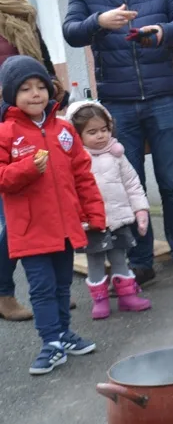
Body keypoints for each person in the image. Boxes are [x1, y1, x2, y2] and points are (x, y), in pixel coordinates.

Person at [62, 0, 173, 289]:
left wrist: (162, 31)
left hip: (163, 97)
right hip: (117, 103)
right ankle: (141, 262)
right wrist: (99, 21)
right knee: (129, 185)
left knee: (172, 185)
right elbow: (71, 32)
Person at [0, 56, 106, 375]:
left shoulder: (64, 129)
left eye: (40, 87)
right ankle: (50, 342)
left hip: (65, 227)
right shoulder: (5, 133)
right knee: (42, 288)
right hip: (30, 230)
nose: (35, 94)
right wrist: (27, 169)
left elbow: (83, 175)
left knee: (62, 285)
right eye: (25, 88)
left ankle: (64, 334)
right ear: (11, 94)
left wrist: (94, 213)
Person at [0, 0, 70, 321]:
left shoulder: (26, 14)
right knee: (10, 219)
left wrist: (53, 86)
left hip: (34, 122)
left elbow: (40, 59)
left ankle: (51, 290)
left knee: (44, 207)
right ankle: (4, 293)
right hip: (4, 125)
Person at [65, 100, 151, 319]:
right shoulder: (75, 160)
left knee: (120, 258)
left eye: (104, 129)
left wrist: (140, 210)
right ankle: (100, 300)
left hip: (119, 219)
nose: (100, 136)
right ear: (77, 135)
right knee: (95, 262)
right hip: (92, 223)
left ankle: (127, 297)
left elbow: (132, 184)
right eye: (92, 132)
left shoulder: (117, 155)